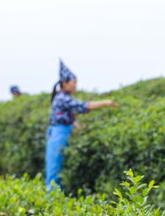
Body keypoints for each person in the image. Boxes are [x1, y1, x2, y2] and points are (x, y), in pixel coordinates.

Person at [45, 60, 119, 191]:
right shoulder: (62, 97)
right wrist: (106, 102)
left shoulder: (62, 97)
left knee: (57, 168)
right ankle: (52, 200)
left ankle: (55, 197)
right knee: (54, 169)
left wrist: (75, 124)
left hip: (58, 134)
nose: (75, 87)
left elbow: (62, 117)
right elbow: (82, 106)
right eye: (73, 83)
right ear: (64, 83)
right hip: (58, 136)